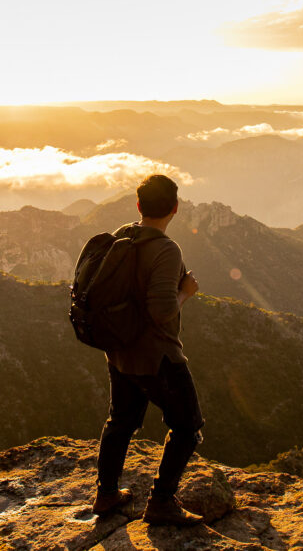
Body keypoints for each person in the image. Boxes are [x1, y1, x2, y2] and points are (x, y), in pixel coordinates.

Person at [92, 174, 205, 527]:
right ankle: (161, 501)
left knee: (121, 420)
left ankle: (106, 492)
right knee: (188, 427)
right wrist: (187, 291)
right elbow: (162, 310)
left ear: (138, 206)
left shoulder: (123, 235)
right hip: (157, 358)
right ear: (174, 208)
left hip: (119, 351)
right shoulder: (167, 250)